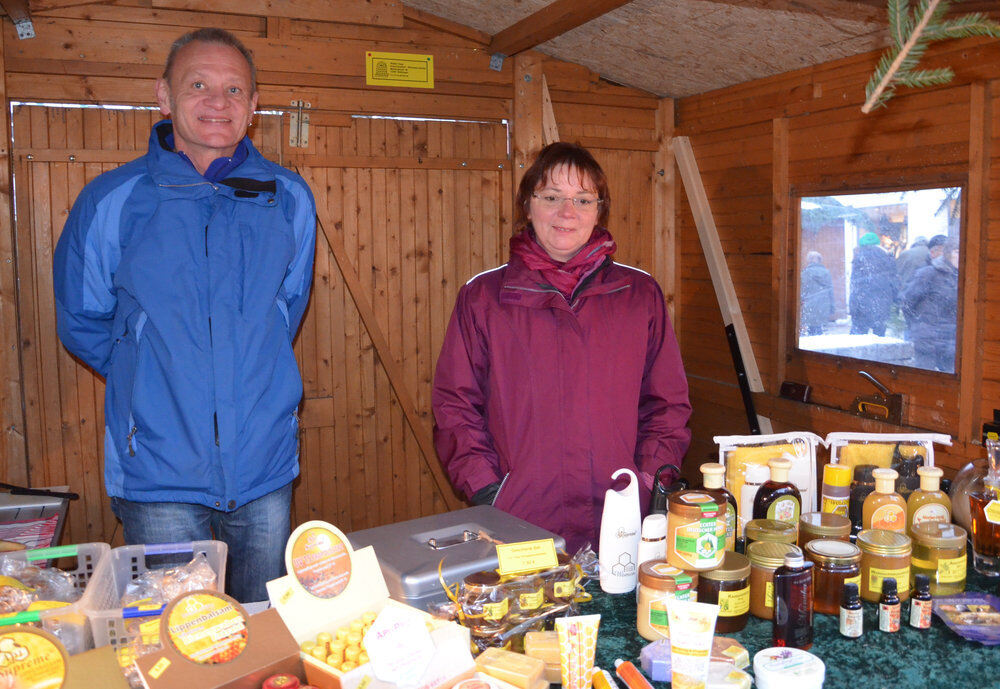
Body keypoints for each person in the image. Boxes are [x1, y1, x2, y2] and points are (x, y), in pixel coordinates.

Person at [52, 28, 316, 603]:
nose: (217, 102)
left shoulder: (289, 197)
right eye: (198, 84)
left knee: (262, 629)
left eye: (233, 89)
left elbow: (284, 312)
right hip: (158, 475)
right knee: (179, 643)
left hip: (263, 470)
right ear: (164, 97)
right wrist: (151, 374)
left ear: (253, 105)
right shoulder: (112, 200)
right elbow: (85, 320)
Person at [431, 142, 692, 554]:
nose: (567, 213)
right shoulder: (484, 297)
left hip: (620, 516)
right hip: (519, 521)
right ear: (528, 205)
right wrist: (487, 488)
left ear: (599, 209)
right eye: (552, 197)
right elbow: (455, 407)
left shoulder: (638, 294)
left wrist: (649, 480)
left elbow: (667, 404)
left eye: (582, 199)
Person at [901, 237, 960, 372]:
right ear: (948, 253)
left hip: (951, 343)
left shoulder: (966, 277)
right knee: (923, 382)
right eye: (957, 252)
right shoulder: (928, 273)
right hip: (927, 342)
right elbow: (908, 302)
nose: (960, 256)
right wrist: (917, 326)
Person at [849, 231, 898, 336]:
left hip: (861, 302)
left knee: (859, 335)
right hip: (882, 301)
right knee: (879, 333)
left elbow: (854, 284)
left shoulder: (859, 258)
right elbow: (894, 281)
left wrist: (853, 305)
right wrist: (896, 300)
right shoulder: (887, 257)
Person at [800, 251, 834, 336]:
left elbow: (802, 290)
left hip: (810, 304)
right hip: (823, 304)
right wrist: (832, 307)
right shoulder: (826, 273)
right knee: (819, 328)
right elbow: (830, 290)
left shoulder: (805, 273)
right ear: (820, 260)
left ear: (809, 260)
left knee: (812, 329)